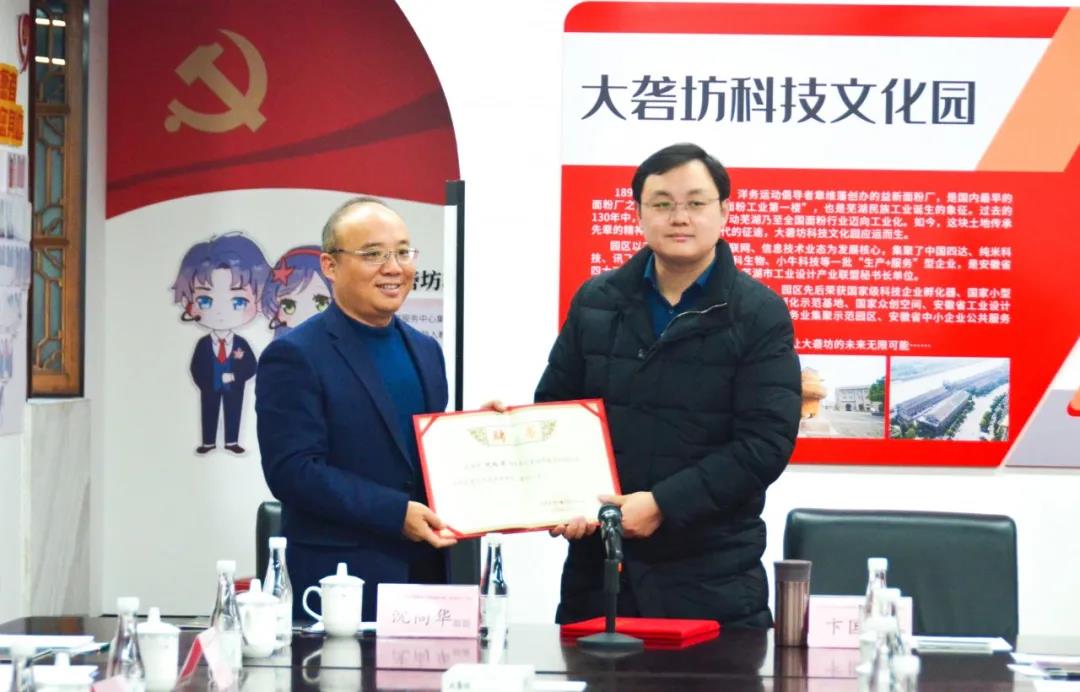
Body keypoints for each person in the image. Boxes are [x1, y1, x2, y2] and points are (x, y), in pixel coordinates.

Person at [536, 143, 801, 627]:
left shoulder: (759, 313)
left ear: (724, 211)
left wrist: (662, 504)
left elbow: (765, 443)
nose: (679, 217)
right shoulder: (596, 301)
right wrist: (558, 487)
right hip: (599, 575)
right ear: (638, 213)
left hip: (711, 577)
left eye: (695, 202)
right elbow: (556, 410)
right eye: (662, 203)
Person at [255, 197, 456, 622]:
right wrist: (394, 513)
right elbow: (292, 471)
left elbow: (424, 457)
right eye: (373, 254)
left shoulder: (426, 350)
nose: (394, 268)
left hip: (427, 581)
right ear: (330, 265)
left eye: (403, 252)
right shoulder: (295, 354)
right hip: (340, 582)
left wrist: (480, 436)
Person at [172, 233, 270, 455]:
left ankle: (231, 441)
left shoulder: (241, 343)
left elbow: (251, 366)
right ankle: (208, 442)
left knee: (234, 411)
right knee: (209, 411)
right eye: (205, 300)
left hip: (234, 388)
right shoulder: (203, 344)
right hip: (210, 388)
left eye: (238, 301)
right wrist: (207, 382)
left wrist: (234, 376)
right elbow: (195, 367)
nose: (220, 312)